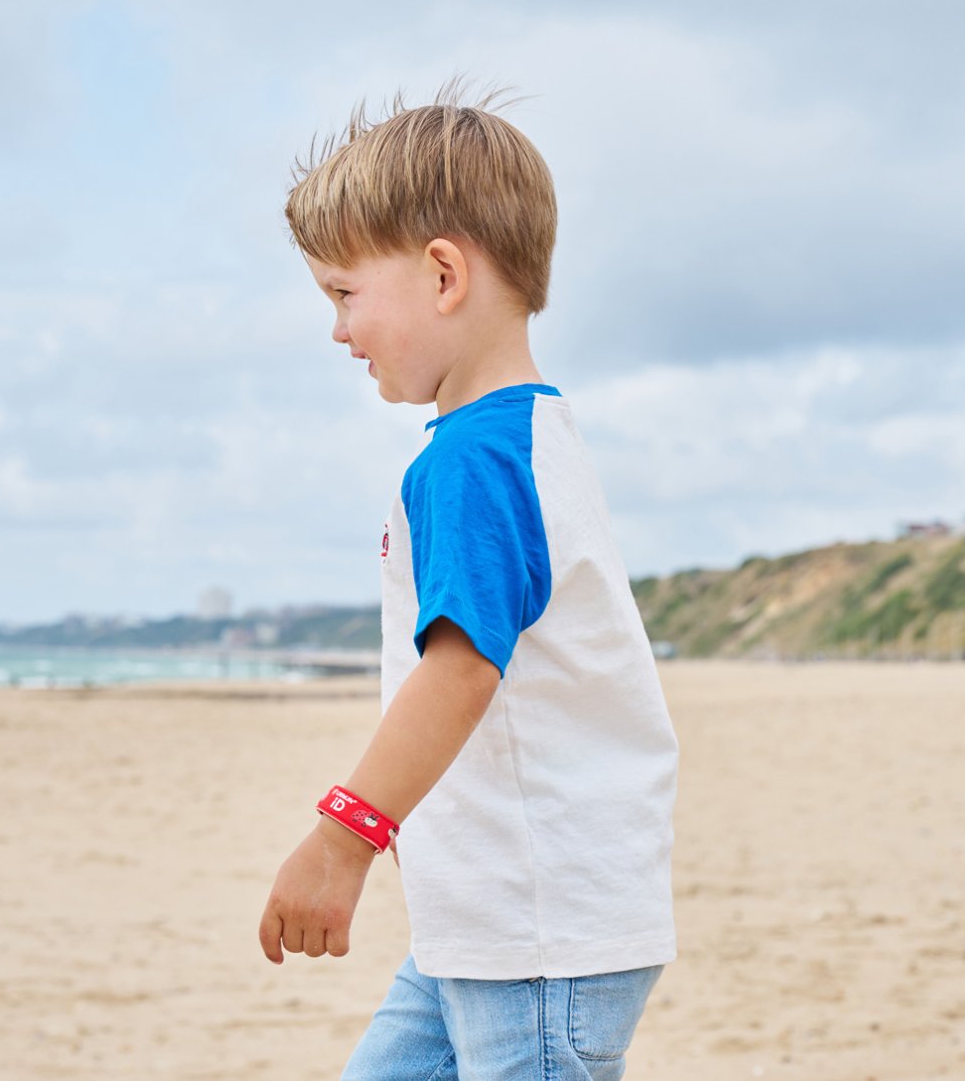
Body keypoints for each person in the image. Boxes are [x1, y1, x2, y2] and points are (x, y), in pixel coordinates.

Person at [258, 83, 679, 1080]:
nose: (337, 330)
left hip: (536, 942)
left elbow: (459, 673)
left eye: (344, 294)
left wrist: (343, 840)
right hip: (495, 926)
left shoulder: (475, 461)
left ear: (444, 274)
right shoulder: (527, 437)